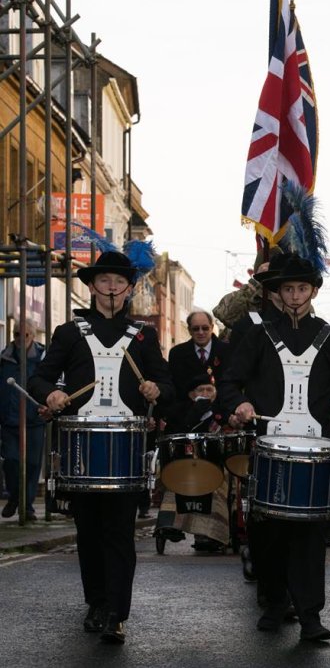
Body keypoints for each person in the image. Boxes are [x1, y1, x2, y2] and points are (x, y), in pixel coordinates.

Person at [220, 253, 330, 642]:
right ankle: (273, 601)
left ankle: (310, 616)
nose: (296, 295)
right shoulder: (257, 334)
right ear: (277, 294)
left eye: (303, 288)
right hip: (270, 445)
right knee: (267, 530)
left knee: (310, 535)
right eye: (288, 288)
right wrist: (240, 403)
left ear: (313, 291)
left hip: (316, 450)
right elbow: (229, 382)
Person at [29, 250, 174, 645]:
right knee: (89, 532)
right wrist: (54, 395)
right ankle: (96, 601)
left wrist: (156, 389)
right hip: (80, 449)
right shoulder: (69, 333)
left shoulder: (143, 337)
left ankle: (116, 613)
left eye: (119, 282)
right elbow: (40, 378)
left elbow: (168, 386)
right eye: (104, 281)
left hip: (126, 448)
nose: (111, 289)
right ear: (92, 287)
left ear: (128, 289)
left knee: (119, 533)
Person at [155, 372, 229, 552]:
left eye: (209, 389)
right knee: (174, 478)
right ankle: (169, 524)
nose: (205, 392)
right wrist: (197, 412)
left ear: (215, 392)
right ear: (191, 394)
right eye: (200, 390)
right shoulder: (179, 410)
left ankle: (209, 533)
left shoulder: (223, 410)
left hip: (214, 462)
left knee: (218, 483)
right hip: (184, 461)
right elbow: (174, 434)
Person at [0, 320, 46, 520]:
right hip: (10, 421)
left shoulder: (43, 358)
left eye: (25, 334)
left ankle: (26, 505)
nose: (20, 338)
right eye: (17, 334)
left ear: (33, 336)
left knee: (33, 464)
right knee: (11, 461)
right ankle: (14, 496)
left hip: (34, 419)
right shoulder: (4, 358)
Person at [168, 309, 230, 404]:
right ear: (189, 330)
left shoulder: (227, 351)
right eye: (196, 329)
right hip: (188, 413)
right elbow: (176, 389)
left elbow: (230, 385)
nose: (201, 332)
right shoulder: (177, 354)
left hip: (220, 411)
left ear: (212, 327)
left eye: (205, 328)